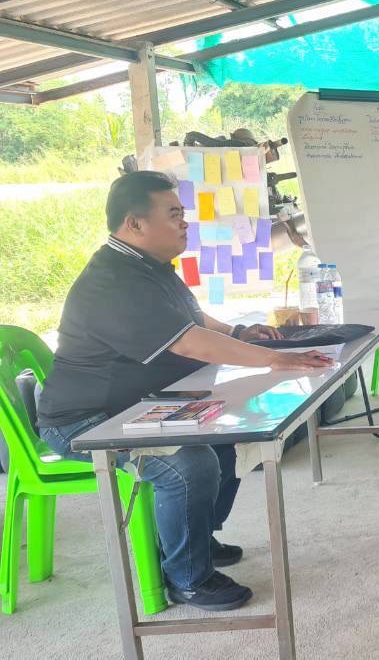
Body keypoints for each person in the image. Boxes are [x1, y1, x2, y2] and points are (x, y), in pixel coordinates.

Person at [36, 171, 333, 612]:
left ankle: (194, 541)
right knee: (187, 464)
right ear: (134, 224)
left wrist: (239, 332)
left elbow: (191, 318)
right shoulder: (114, 280)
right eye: (174, 214)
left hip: (133, 405)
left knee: (226, 436)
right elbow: (188, 341)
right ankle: (188, 579)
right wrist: (272, 358)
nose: (184, 223)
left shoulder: (145, 265)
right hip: (86, 420)